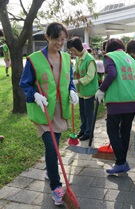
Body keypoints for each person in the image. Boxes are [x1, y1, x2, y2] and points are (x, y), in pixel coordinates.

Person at [19, 22, 78, 205]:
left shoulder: (67, 59)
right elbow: (25, 83)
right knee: (52, 147)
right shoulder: (34, 59)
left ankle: (49, 169)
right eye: (56, 39)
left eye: (62, 39)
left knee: (54, 146)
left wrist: (73, 90)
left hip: (60, 110)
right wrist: (34, 95)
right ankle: (56, 186)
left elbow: (68, 81)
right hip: (43, 109)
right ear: (47, 37)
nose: (60, 43)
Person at [95, 38, 135, 174]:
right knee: (125, 130)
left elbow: (111, 73)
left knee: (112, 129)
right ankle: (121, 162)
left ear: (108, 48)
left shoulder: (110, 57)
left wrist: (102, 90)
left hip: (117, 101)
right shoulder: (130, 59)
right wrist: (132, 89)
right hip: (133, 101)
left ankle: (121, 161)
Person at [67, 37, 98, 141]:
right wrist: (74, 73)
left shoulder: (90, 59)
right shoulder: (78, 58)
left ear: (77, 48)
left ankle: (89, 132)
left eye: (73, 50)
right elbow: (77, 69)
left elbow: (90, 76)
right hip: (81, 91)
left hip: (89, 90)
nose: (72, 53)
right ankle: (83, 129)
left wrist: (78, 81)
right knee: (82, 111)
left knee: (89, 113)